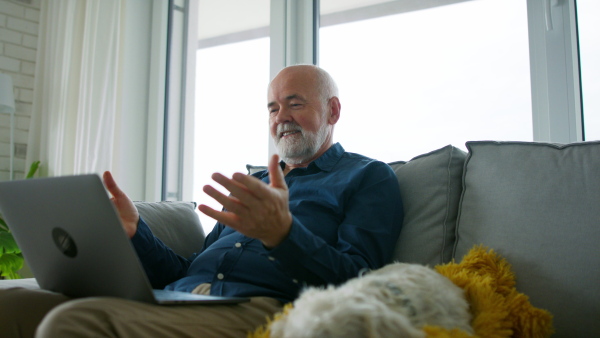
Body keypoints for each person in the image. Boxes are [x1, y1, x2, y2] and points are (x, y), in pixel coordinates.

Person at [0, 65, 403, 337]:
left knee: (73, 323)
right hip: (180, 296)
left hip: (263, 307)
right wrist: (136, 231)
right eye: (273, 107)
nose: (281, 116)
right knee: (11, 304)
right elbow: (188, 269)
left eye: (295, 103)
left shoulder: (367, 176)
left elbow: (359, 280)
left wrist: (283, 235)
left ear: (332, 110)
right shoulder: (252, 184)